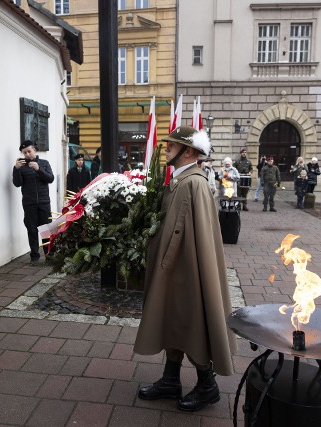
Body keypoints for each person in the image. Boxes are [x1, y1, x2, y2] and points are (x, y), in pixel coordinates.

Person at [134, 125, 236, 412]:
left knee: (192, 320)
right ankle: (170, 380)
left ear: (188, 151)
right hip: (174, 268)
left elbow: (196, 237)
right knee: (172, 319)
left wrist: (182, 269)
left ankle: (207, 386)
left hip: (188, 271)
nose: (166, 148)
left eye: (172, 144)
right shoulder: (180, 180)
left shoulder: (195, 183)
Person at [12, 140, 54, 263]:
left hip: (44, 201)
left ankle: (49, 254)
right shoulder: (21, 166)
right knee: (31, 229)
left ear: (34, 150)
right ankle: (34, 256)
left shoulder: (44, 163)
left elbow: (50, 178)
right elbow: (17, 183)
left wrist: (39, 169)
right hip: (29, 203)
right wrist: (16, 169)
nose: (27, 154)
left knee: (46, 229)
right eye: (25, 152)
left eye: (29, 151)